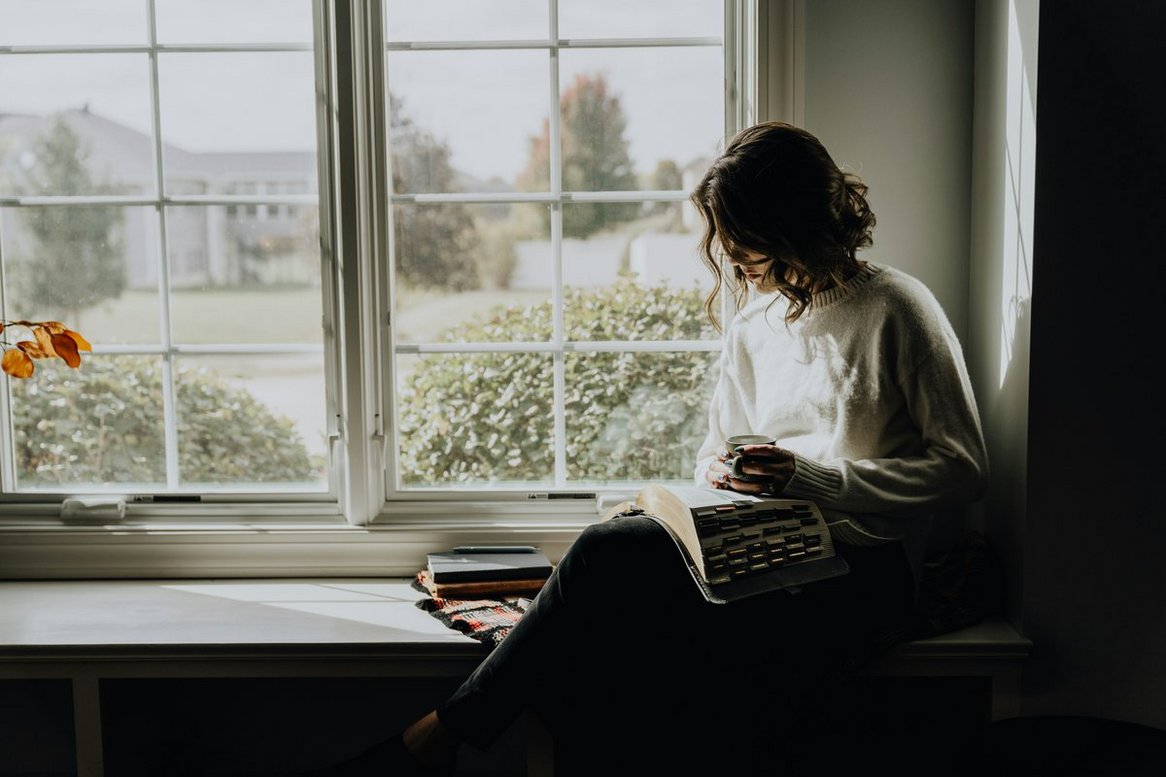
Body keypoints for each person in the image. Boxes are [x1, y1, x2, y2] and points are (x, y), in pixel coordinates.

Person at [309, 121, 989, 776]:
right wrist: (728, 473)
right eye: (726, 240)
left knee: (608, 570)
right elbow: (711, 453)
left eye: (744, 240)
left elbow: (963, 468)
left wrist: (813, 478)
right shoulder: (754, 322)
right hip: (762, 550)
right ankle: (443, 738)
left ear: (794, 225)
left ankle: (437, 737)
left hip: (862, 571)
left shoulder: (897, 308)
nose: (730, 257)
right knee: (605, 633)